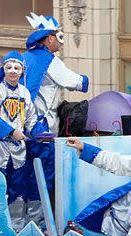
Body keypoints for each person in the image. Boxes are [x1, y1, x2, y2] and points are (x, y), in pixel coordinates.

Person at [0, 52, 46, 232]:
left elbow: (31, 119)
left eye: (17, 68)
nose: (13, 71)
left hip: (19, 152)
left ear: (22, 71)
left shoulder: (24, 93)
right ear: (4, 70)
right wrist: (11, 131)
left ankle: (16, 228)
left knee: (19, 190)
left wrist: (41, 134)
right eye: (9, 68)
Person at [23, 12, 88, 192]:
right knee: (44, 173)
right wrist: (85, 79)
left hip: (22, 127)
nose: (60, 42)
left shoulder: (25, 57)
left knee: (24, 176)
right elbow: (76, 82)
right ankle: (39, 218)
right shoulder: (49, 61)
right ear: (48, 39)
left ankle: (21, 218)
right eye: (58, 37)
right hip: (42, 128)